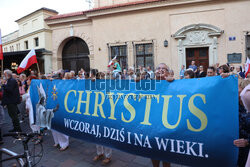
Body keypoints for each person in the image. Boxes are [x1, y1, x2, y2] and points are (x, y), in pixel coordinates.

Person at [151, 63, 174, 167]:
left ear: (168, 72)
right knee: (153, 152)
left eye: (163, 69)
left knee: (166, 153)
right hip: (153, 124)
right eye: (158, 68)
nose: (160, 70)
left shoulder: (173, 83)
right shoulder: (151, 84)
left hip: (167, 125)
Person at [233, 79, 250, 167]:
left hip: (247, 152)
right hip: (235, 150)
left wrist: (247, 142)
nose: (239, 95)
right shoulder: (234, 105)